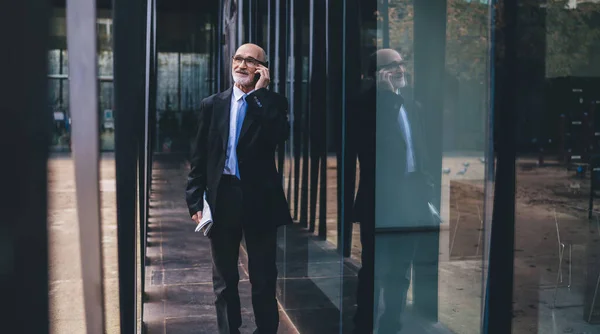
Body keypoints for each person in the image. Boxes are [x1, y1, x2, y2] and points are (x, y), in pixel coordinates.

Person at [185, 43, 292, 334]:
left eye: (250, 61)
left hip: (260, 200)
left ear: (262, 69)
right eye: (237, 59)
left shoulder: (273, 102)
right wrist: (195, 200)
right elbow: (200, 156)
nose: (241, 65)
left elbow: (278, 136)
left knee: (264, 276)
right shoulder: (213, 104)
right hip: (223, 197)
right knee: (224, 279)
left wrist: (259, 95)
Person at [350, 48, 436, 334]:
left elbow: (419, 151)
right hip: (379, 201)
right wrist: (385, 97)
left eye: (401, 64)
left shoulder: (412, 105)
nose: (400, 70)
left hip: (411, 201)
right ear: (375, 75)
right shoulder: (364, 106)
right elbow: (371, 150)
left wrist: (426, 192)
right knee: (373, 271)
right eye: (392, 66)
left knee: (400, 274)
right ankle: (363, 327)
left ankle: (390, 327)